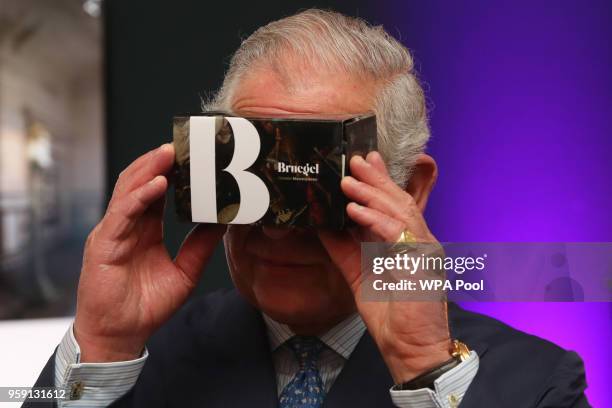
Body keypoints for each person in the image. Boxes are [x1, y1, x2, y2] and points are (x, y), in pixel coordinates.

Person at [28, 9, 589, 408]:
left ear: (410, 191)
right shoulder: (142, 361)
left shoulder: (536, 385)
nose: (276, 232)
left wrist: (427, 369)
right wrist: (100, 344)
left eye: (311, 184)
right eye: (253, 181)